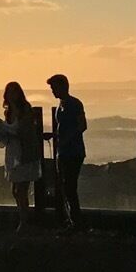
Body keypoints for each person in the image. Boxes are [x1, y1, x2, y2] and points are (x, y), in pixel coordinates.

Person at [0, 81, 43, 224]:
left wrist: (4, 129)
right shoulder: (9, 112)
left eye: (15, 92)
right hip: (13, 154)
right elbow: (8, 137)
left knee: (21, 190)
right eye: (10, 92)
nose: (12, 95)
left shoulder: (26, 110)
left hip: (25, 154)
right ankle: (23, 218)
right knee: (15, 190)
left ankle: (24, 222)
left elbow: (24, 132)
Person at [48, 73, 88, 228]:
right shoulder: (61, 105)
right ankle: (71, 220)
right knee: (65, 187)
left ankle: (75, 221)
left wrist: (66, 139)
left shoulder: (74, 103)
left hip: (73, 152)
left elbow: (82, 125)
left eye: (54, 87)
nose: (52, 91)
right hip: (63, 152)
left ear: (62, 86)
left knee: (69, 187)